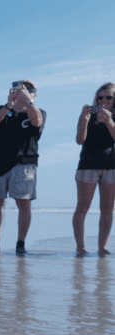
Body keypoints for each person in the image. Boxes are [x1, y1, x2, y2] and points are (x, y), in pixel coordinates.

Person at [0, 80, 46, 255]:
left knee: (23, 204)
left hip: (24, 164)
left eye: (28, 89)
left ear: (34, 94)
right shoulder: (1, 109)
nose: (22, 92)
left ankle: (20, 245)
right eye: (19, 89)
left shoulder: (38, 111)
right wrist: (8, 105)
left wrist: (28, 102)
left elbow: (37, 122)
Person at [73, 82, 115, 256]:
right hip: (88, 165)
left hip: (110, 166)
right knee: (83, 207)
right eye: (100, 97)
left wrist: (109, 121)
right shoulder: (88, 114)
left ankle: (102, 247)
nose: (104, 100)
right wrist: (84, 120)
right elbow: (80, 140)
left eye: (108, 97)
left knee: (107, 208)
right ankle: (80, 247)